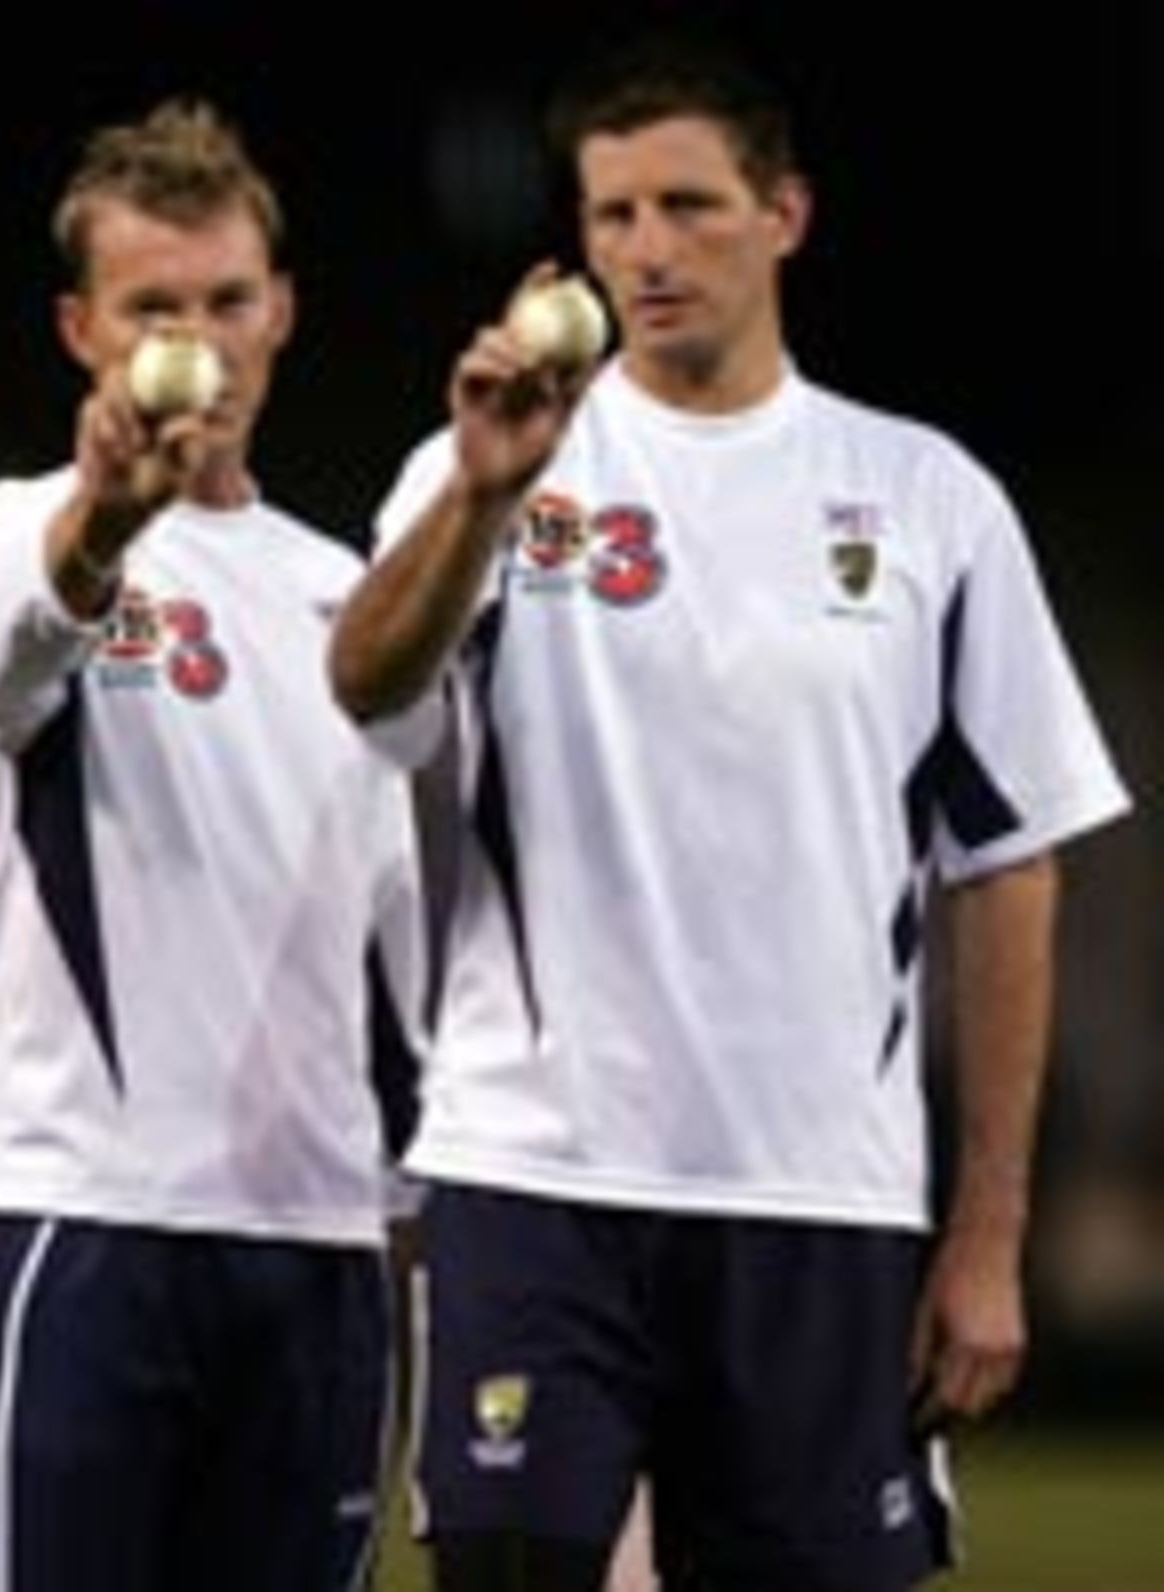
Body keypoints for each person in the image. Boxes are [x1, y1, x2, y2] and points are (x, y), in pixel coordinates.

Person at [326, 30, 1132, 1592]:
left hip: (815, 1196)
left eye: (689, 206)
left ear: (786, 215)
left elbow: (1012, 864)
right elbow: (365, 689)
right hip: (536, 1179)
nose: (648, 249)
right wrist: (484, 497)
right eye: (613, 215)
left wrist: (986, 1232)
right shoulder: (488, 468)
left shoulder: (927, 502)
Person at [0, 97, 424, 1592]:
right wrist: (108, 518)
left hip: (320, 1247)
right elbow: (13, 658)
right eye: (156, 306)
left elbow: (398, 932)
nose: (198, 338)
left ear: (281, 310)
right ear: (85, 330)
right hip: (80, 1221)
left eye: (225, 299)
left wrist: (420, 1215)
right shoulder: (7, 532)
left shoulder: (354, 597)